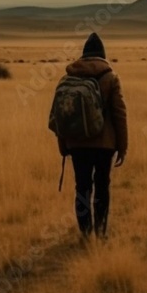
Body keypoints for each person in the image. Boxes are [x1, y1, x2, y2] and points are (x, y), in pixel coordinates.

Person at [57, 32, 128, 240]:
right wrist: (122, 146)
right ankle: (100, 230)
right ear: (103, 55)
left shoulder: (69, 78)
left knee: (82, 186)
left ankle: (85, 232)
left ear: (84, 55)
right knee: (102, 185)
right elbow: (119, 114)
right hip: (105, 145)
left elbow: (62, 115)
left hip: (77, 143)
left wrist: (63, 145)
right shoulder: (110, 78)